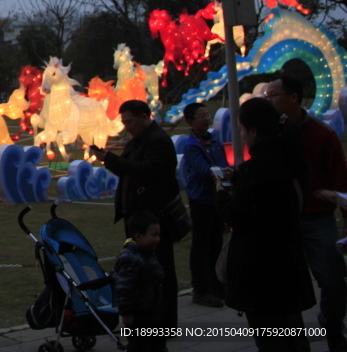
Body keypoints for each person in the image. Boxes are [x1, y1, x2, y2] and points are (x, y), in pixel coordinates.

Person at [216, 97, 314, 352]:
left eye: (242, 130)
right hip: (288, 263)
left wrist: (222, 195)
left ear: (254, 131)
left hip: (260, 271)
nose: (242, 136)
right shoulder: (290, 161)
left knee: (271, 339)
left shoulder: (256, 171)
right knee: (293, 334)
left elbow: (235, 216)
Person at [266, 75, 347, 352]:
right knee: (288, 284)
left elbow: (341, 180)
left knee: (333, 280)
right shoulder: (269, 134)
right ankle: (297, 341)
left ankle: (333, 327)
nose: (268, 100)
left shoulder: (323, 134)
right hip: (283, 219)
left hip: (318, 218)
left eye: (273, 95)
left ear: (293, 98)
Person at [89, 99, 179, 331]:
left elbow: (143, 172)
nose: (126, 126)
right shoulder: (140, 140)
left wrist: (109, 159)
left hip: (153, 219)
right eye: (124, 122)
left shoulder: (157, 141)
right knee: (141, 271)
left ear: (144, 116)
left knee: (159, 271)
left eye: (129, 121)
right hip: (138, 217)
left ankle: (164, 323)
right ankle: (147, 319)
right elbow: (129, 168)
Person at [180, 102, 227, 308]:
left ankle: (217, 286)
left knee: (216, 242)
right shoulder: (192, 145)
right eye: (202, 116)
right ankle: (201, 289)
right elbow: (202, 170)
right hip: (201, 201)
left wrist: (226, 173)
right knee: (201, 245)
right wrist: (220, 173)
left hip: (217, 198)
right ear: (191, 121)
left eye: (208, 115)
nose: (207, 118)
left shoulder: (215, 141)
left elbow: (223, 165)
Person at [112, 211, 166, 352]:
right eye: (153, 235)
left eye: (158, 235)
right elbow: (124, 288)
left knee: (157, 342)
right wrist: (126, 312)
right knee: (140, 345)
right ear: (138, 236)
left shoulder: (147, 253)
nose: (158, 239)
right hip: (138, 315)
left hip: (151, 310)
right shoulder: (130, 259)